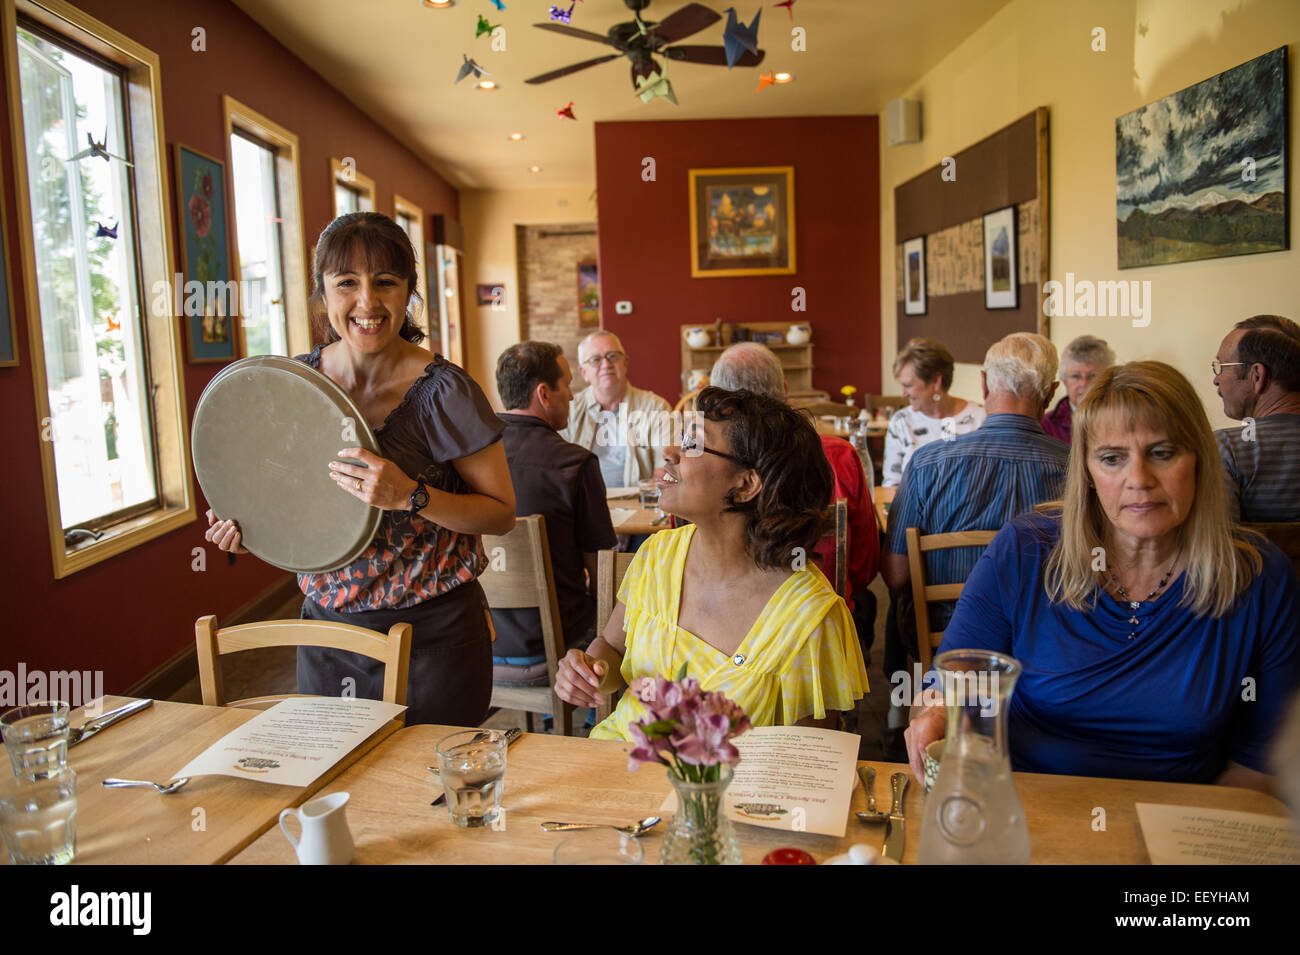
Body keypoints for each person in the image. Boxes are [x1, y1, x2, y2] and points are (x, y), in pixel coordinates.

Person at [904, 361, 1299, 792]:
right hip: (1029, 809)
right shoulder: (1026, 549)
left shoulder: (1260, 576)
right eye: (1112, 458)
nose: (1139, 480)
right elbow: (950, 681)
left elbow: (1260, 765)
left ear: (1200, 460)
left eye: (1163, 453)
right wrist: (936, 712)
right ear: (1088, 473)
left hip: (1181, 823)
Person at [205, 212, 516, 725]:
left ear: (409, 292)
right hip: (327, 635)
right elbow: (291, 502)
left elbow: (501, 514)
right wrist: (248, 527)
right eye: (346, 282)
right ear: (322, 294)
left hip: (433, 638)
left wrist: (410, 496)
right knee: (338, 789)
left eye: (386, 283)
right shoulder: (293, 387)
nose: (367, 302)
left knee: (428, 794)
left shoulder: (445, 392)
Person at [553, 387, 868, 740]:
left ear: (746, 484)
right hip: (621, 769)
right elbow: (611, 649)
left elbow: (808, 764)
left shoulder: (809, 617)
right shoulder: (657, 555)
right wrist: (588, 670)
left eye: (693, 444)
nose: (670, 451)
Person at [880, 333, 1068, 759]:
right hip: (1042, 644)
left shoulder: (927, 463)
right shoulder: (1077, 466)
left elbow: (893, 576)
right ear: (1052, 392)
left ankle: (898, 724)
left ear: (984, 385)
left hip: (946, 643)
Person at [707, 342, 879, 648]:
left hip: (717, 634)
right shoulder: (838, 456)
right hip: (822, 630)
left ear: (718, 400)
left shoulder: (701, 467)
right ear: (785, 390)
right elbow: (863, 566)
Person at [490, 341, 617, 685]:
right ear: (543, 393)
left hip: (481, 642)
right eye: (568, 385)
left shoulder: (470, 459)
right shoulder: (574, 464)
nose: (574, 397)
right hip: (556, 645)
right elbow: (601, 571)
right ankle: (598, 713)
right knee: (621, 623)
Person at [1212, 315, 1300, 522]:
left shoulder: (1228, 448)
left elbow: (1221, 544)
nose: (1216, 380)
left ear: (1257, 375)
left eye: (1222, 367)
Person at [560, 331, 672, 489]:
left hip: (636, 502)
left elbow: (666, 469)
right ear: (584, 372)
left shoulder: (655, 407)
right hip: (582, 505)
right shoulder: (569, 409)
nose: (606, 365)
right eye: (595, 359)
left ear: (625, 363)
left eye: (612, 356)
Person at [881, 338, 985, 486]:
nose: (903, 394)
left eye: (908, 385)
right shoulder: (901, 422)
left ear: (936, 381)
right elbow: (891, 486)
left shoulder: (980, 419)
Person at [1041, 334, 1115, 444]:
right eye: (1076, 376)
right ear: (1064, 380)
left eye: (1093, 376)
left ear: (1108, 379)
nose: (1084, 384)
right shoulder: (1047, 425)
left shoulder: (1122, 419)